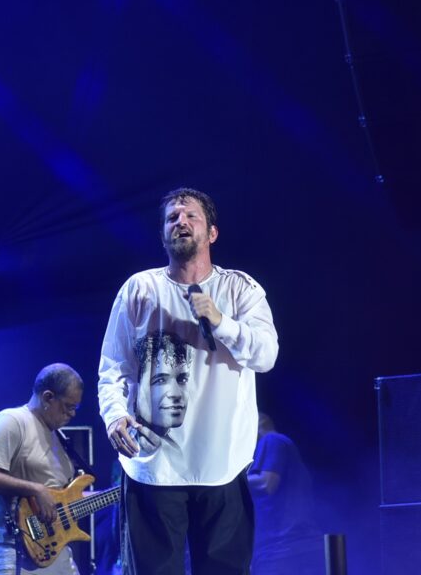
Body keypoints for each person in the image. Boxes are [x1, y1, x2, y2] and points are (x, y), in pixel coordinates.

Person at [98, 188, 278, 575]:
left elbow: (266, 356)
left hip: (222, 464)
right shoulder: (139, 290)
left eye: (190, 216)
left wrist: (221, 322)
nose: (180, 222)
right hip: (153, 465)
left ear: (211, 232)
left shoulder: (240, 290)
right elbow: (112, 368)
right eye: (171, 219)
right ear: (163, 235)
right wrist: (114, 415)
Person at [0, 363, 84, 575]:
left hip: (54, 552)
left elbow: (60, 498)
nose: (72, 414)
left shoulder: (58, 437)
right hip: (13, 554)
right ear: (48, 397)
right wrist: (35, 489)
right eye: (68, 406)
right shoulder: (12, 421)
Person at [248, 413, 322, 575]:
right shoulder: (285, 445)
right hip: (297, 548)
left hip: (283, 550)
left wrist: (231, 479)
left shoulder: (272, 440)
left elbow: (266, 483)